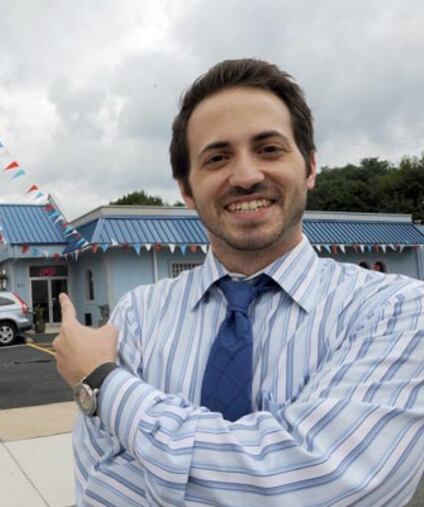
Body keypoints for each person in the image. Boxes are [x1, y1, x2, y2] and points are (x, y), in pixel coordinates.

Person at [53, 59, 424, 506]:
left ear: (309, 167)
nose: (246, 177)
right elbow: (100, 487)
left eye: (269, 149)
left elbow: (327, 487)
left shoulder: (399, 311)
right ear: (187, 189)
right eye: (217, 158)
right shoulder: (137, 315)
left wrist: (105, 383)